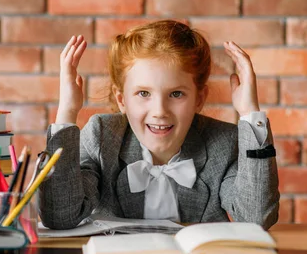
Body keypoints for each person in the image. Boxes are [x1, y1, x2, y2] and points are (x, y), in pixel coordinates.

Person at [40, 20, 279, 230]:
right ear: (122, 99)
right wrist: (67, 113)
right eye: (144, 93)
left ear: (199, 99)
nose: (160, 112)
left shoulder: (223, 143)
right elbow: (61, 216)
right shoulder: (103, 137)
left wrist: (249, 113)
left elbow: (255, 218)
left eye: (176, 94)